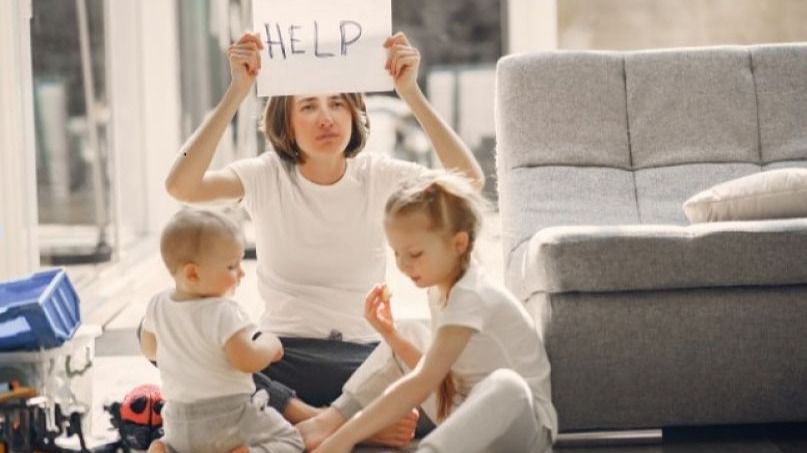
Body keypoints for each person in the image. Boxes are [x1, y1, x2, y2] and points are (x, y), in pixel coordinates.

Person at [164, 27, 484, 447]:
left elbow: (469, 182)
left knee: (439, 369)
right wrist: (237, 92)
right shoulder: (266, 175)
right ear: (287, 122)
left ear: (355, 114)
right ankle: (337, 423)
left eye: (337, 103)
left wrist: (410, 92)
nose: (326, 118)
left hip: (363, 361)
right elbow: (182, 186)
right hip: (283, 360)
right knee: (193, 337)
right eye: (308, 107)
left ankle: (315, 426)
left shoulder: (378, 174)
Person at [305, 172, 557, 453]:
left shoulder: (470, 294)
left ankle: (346, 437)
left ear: (458, 244)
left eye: (414, 254)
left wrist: (344, 441)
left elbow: (423, 381)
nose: (402, 265)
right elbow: (440, 375)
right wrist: (391, 336)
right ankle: (328, 422)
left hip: (522, 427)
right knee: (409, 331)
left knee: (508, 386)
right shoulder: (440, 288)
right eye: (396, 253)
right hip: (462, 409)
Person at [139, 209, 304, 453]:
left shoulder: (157, 305)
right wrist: (270, 345)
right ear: (192, 273)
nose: (241, 272)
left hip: (177, 421)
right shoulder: (225, 312)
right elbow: (247, 360)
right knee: (292, 441)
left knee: (181, 444)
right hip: (230, 419)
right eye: (231, 266)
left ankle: (165, 449)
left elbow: (151, 351)